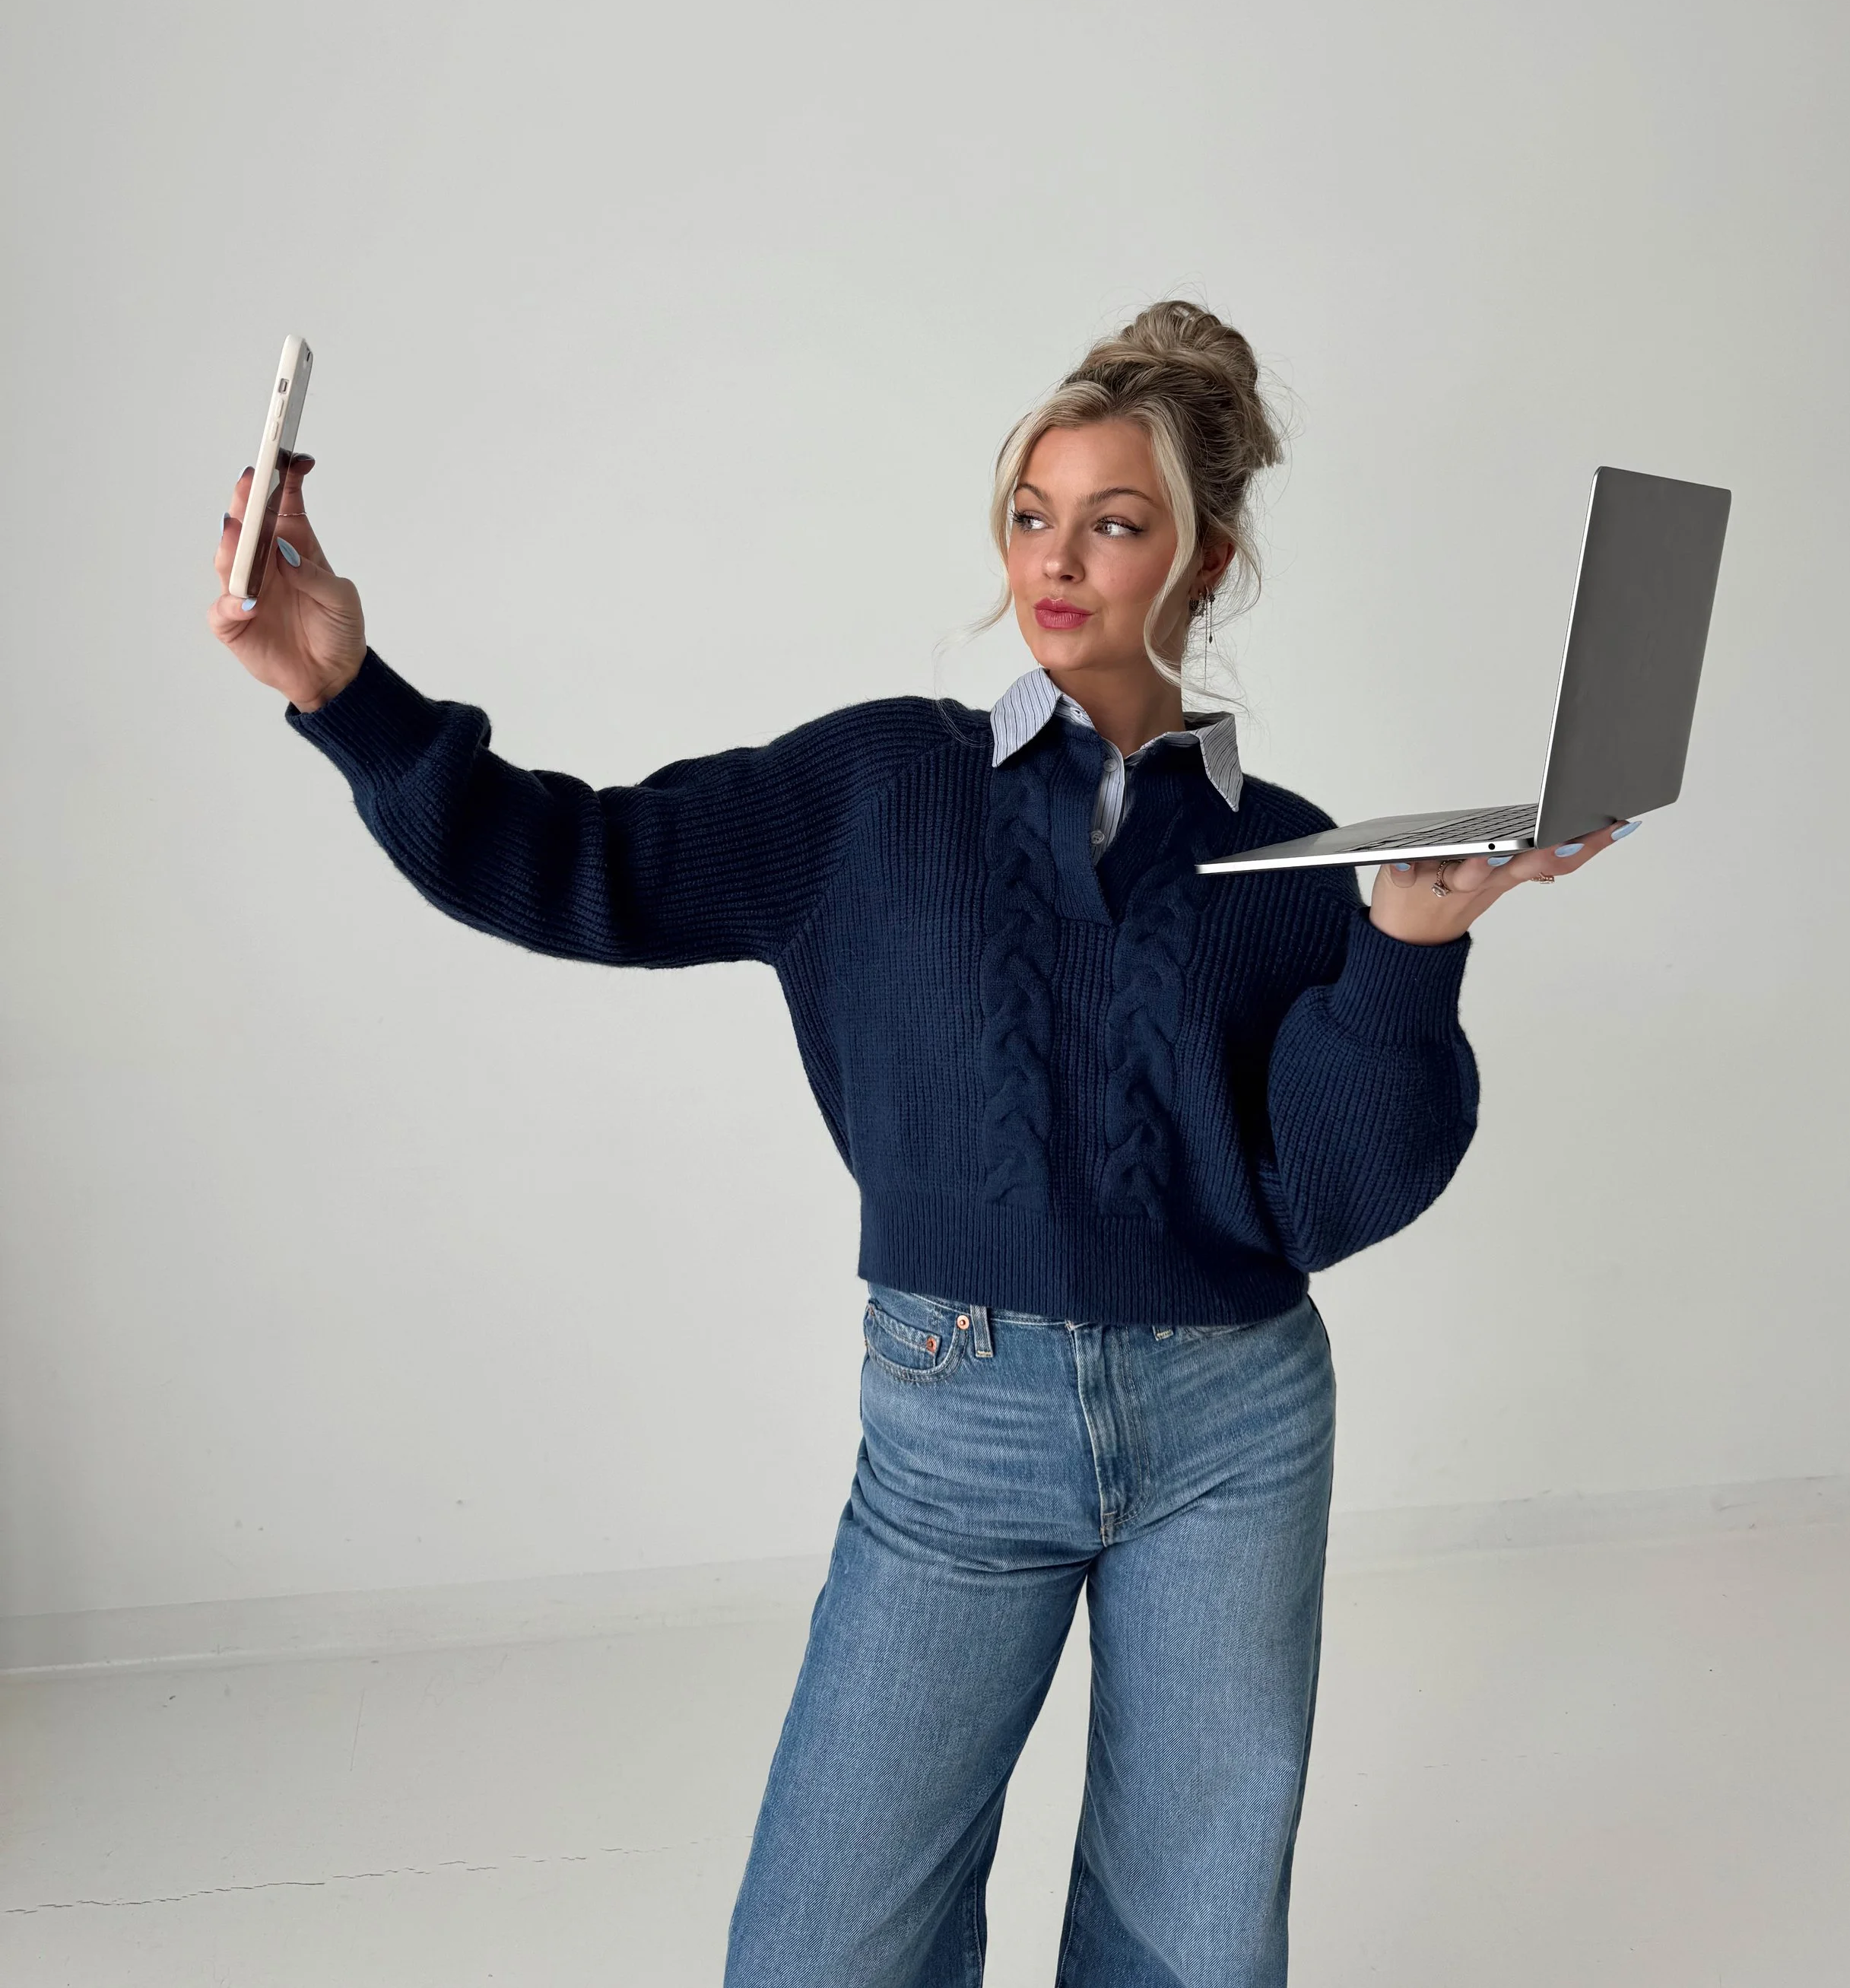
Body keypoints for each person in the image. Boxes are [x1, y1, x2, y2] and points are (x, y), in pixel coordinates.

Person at [208, 301, 1623, 1987]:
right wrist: (349, 695)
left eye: (1115, 521)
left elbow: (1324, 1194)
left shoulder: (1295, 857)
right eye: (1033, 513)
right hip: (961, 1422)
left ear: (1206, 560)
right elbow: (575, 862)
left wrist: (1402, 951)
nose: (1060, 556)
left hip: (1235, 1424)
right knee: (823, 1949)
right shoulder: (877, 787)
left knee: (1190, 1941)